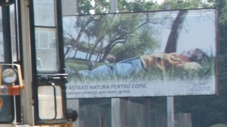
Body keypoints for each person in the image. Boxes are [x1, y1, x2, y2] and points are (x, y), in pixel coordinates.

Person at [76, 48, 208, 78]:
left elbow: (195, 67)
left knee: (112, 71)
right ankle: (84, 73)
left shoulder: (185, 64)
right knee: (113, 69)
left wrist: (192, 64)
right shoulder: (177, 59)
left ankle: (81, 75)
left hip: (141, 67)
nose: (185, 50)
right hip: (140, 62)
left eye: (188, 52)